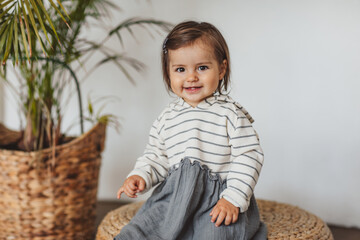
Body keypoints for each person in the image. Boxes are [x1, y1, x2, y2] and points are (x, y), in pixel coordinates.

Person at [114, 21, 267, 240]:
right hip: (174, 199)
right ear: (169, 72)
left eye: (202, 68)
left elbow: (248, 156)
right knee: (140, 230)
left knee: (217, 232)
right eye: (180, 69)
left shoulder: (230, 114)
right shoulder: (167, 117)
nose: (191, 77)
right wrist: (140, 175)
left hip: (216, 202)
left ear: (221, 68)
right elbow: (157, 156)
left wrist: (233, 198)